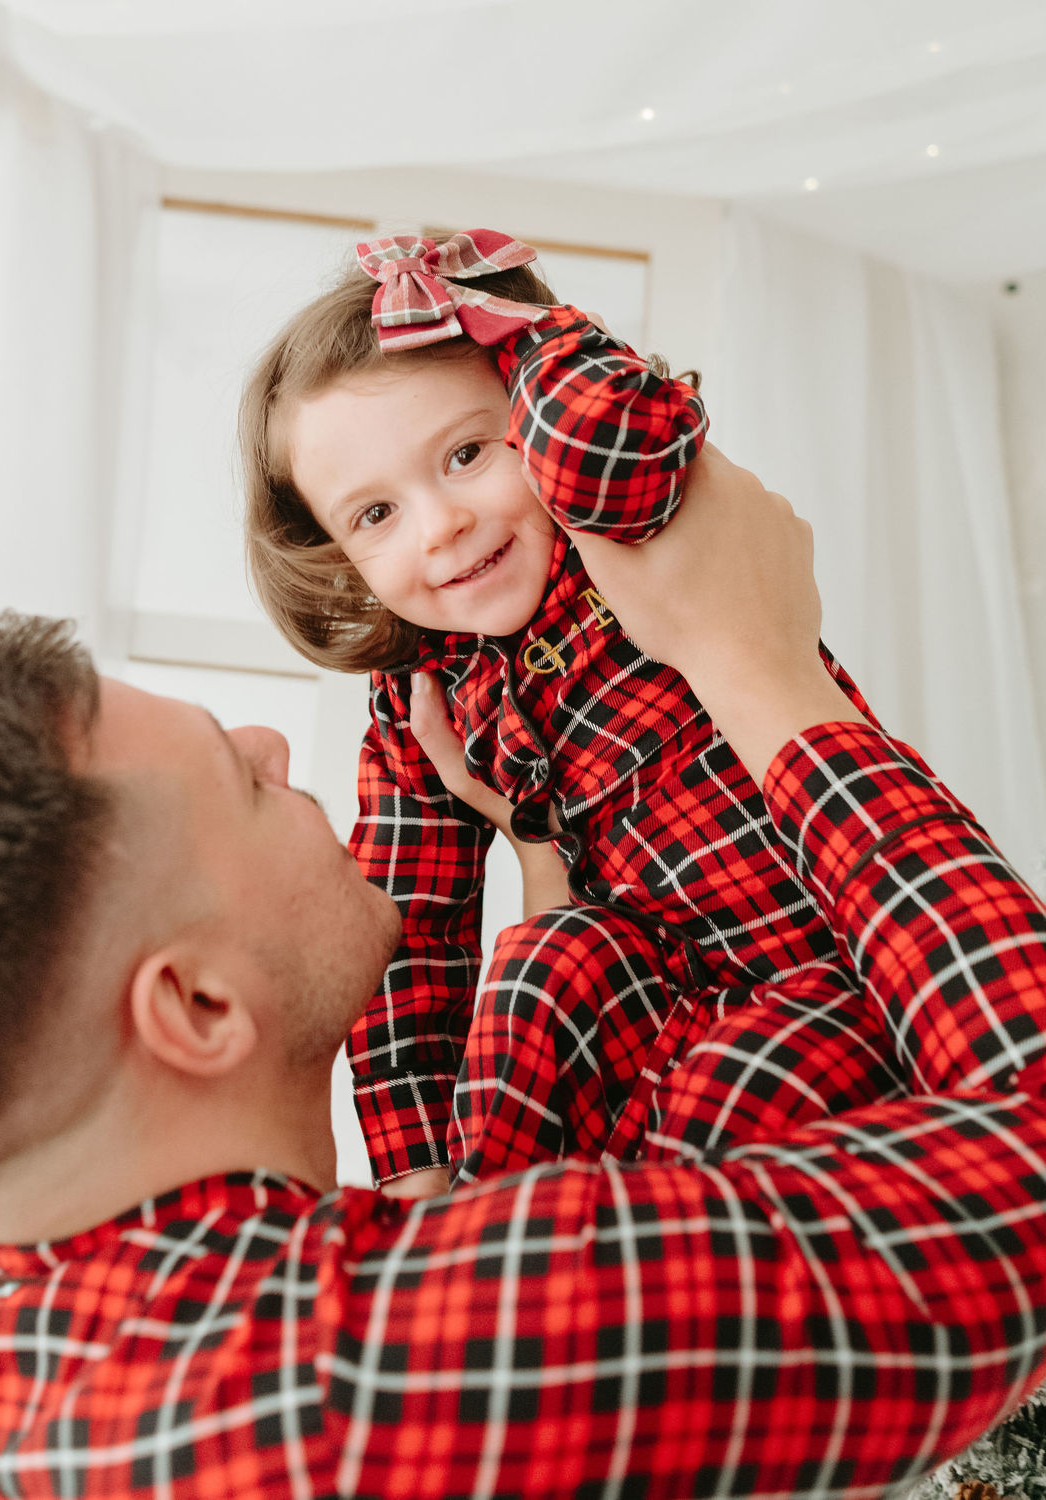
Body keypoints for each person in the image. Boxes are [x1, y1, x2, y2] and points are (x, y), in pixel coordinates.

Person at [0, 453, 1046, 1499]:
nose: (274, 743)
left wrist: (538, 844)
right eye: (237, 775)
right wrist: (766, 672)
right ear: (197, 1008)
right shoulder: (410, 1354)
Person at [240, 228, 883, 1196]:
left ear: (534, 422)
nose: (442, 526)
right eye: (376, 514)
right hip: (650, 1017)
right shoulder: (419, 694)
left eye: (467, 454)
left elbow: (620, 432)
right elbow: (412, 938)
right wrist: (415, 1172)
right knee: (543, 968)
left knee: (716, 1100)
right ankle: (469, 1230)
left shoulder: (636, 532)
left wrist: (528, 334)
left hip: (834, 972)